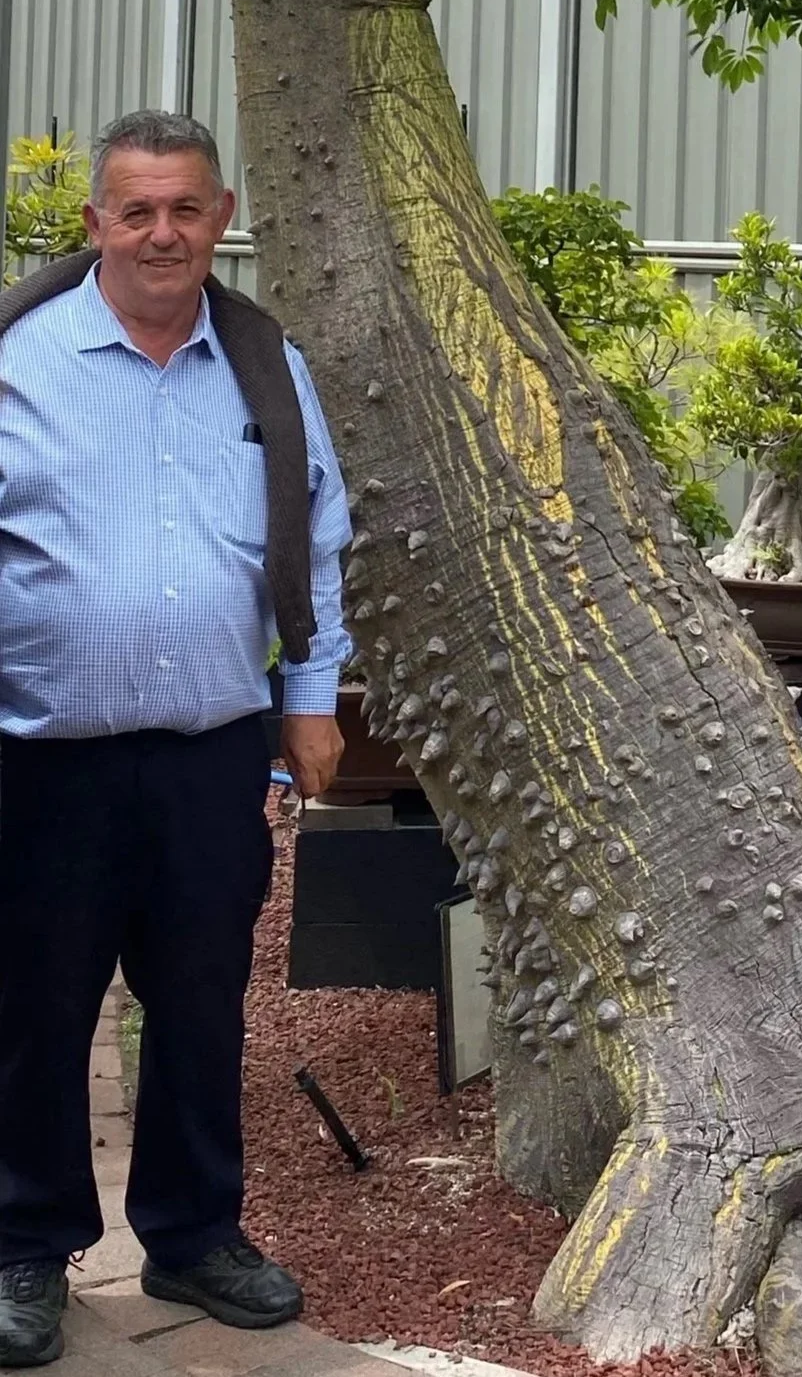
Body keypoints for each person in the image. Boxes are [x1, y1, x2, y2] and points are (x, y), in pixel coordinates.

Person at [0, 110, 351, 1369]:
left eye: (186, 208)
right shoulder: (21, 358)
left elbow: (319, 534)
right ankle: (24, 1246)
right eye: (136, 209)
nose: (163, 232)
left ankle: (193, 1234)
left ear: (223, 213)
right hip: (41, 759)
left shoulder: (264, 367)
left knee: (201, 1000)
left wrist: (309, 696)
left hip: (212, 751)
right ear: (96, 221)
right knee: (36, 1004)